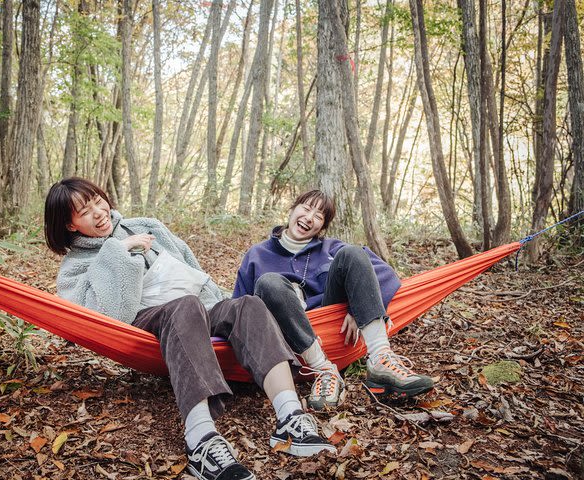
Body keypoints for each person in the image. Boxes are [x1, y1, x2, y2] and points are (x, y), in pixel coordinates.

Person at [44, 178, 335, 480]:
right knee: (185, 306)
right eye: (84, 211)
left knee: (247, 305)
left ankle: (290, 417)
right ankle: (201, 441)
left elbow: (193, 271)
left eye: (97, 201)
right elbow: (108, 314)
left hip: (197, 306)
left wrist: (223, 305)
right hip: (145, 322)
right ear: (70, 225)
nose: (98, 212)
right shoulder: (75, 268)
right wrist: (119, 251)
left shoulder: (148, 226)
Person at [233, 190, 434, 410]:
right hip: (287, 339)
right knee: (269, 282)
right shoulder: (257, 255)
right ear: (292, 209)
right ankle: (324, 371)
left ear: (322, 227)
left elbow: (386, 275)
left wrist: (355, 309)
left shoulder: (330, 249)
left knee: (354, 253)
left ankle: (381, 359)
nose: (310, 218)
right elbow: (239, 309)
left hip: (331, 328)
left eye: (319, 216)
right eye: (306, 208)